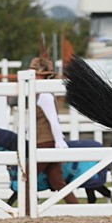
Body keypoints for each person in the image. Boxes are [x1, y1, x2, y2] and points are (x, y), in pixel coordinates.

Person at [30, 55, 77, 204]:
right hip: (44, 140)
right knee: (57, 181)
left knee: (27, 176)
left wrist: (59, 141)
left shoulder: (44, 95)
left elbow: (53, 120)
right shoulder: (39, 93)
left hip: (45, 142)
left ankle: (27, 212)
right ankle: (77, 209)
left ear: (42, 76)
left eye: (35, 74)